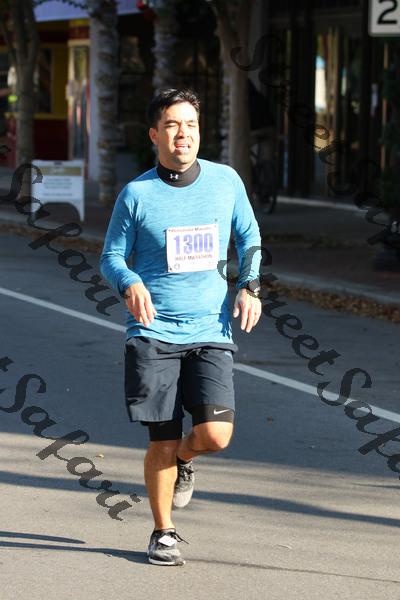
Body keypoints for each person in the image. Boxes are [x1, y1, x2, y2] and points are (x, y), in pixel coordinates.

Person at [100, 88, 262, 566]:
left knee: (215, 436)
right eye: (172, 125)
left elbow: (249, 236)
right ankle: (163, 532)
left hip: (210, 329)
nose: (183, 134)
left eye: (190, 124)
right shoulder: (137, 194)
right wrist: (129, 282)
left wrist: (249, 285)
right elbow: (111, 256)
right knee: (162, 440)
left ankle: (186, 460)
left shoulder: (225, 181)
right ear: (155, 135)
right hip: (153, 333)